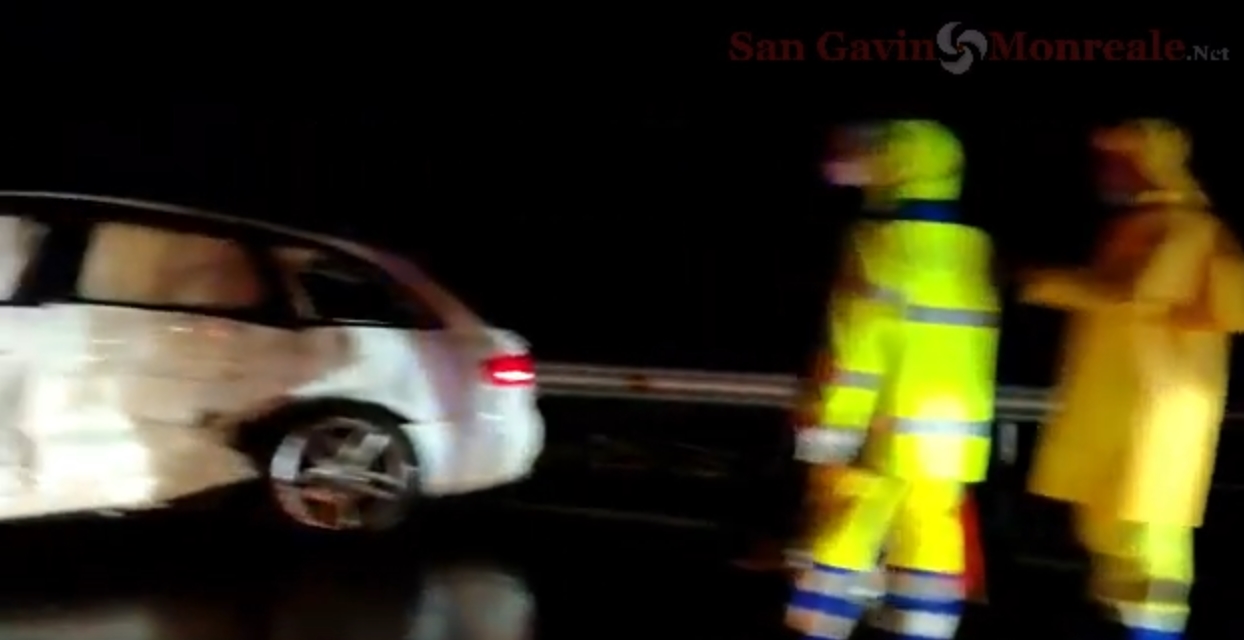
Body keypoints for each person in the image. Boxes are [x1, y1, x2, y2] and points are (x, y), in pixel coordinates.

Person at [1020, 119, 1244, 640]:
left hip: (1157, 403)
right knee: (1113, 532)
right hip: (1124, 399)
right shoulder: (1149, 223)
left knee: (1148, 537)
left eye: (1115, 160)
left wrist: (1042, 284)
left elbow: (1137, 294)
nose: (1105, 172)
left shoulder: (1184, 226)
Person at [788, 120, 999, 640]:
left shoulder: (877, 244)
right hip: (951, 440)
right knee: (931, 546)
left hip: (879, 435)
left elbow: (855, 353)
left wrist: (827, 440)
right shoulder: (973, 250)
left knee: (840, 543)